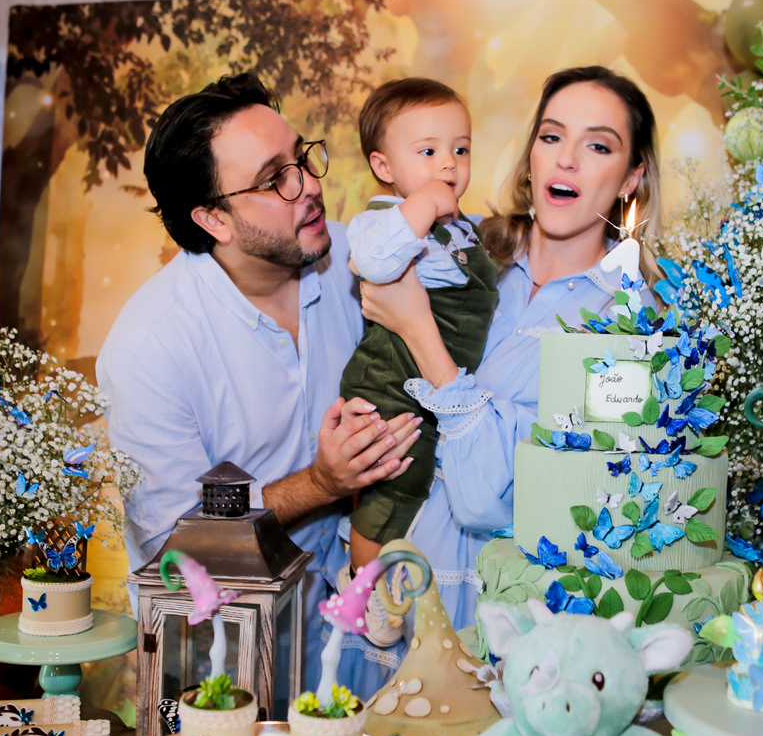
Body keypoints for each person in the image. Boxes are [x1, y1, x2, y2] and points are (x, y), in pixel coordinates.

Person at [96, 73, 421, 693]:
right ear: (213, 218)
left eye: (303, 157)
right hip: (222, 662)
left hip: (360, 637)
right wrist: (320, 483)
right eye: (276, 179)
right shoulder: (149, 348)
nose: (310, 185)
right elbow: (175, 548)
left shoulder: (357, 260)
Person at [355, 66, 663, 631]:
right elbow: (367, 260)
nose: (566, 159)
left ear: (630, 178)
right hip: (390, 572)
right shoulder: (463, 247)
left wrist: (417, 327)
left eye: (597, 146)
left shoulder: (632, 324)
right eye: (552, 136)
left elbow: (493, 498)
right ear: (531, 157)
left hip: (499, 602)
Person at [340, 78, 500, 647]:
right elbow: (374, 262)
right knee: (393, 486)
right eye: (428, 151)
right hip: (390, 379)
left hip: (438, 384)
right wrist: (425, 204)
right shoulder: (382, 220)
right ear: (383, 166)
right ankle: (361, 585)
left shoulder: (462, 229)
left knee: (422, 484)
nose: (448, 164)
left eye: (460, 149)